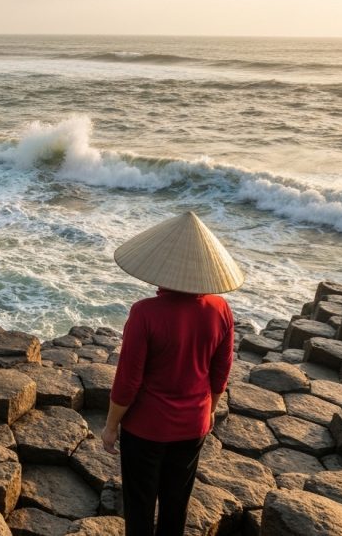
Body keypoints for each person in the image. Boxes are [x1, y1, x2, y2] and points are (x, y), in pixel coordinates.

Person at [100, 211, 243, 536]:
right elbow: (221, 372)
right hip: (193, 426)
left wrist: (110, 426)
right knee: (176, 506)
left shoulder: (145, 313)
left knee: (139, 506)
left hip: (145, 428)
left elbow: (128, 381)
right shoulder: (220, 309)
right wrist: (208, 411)